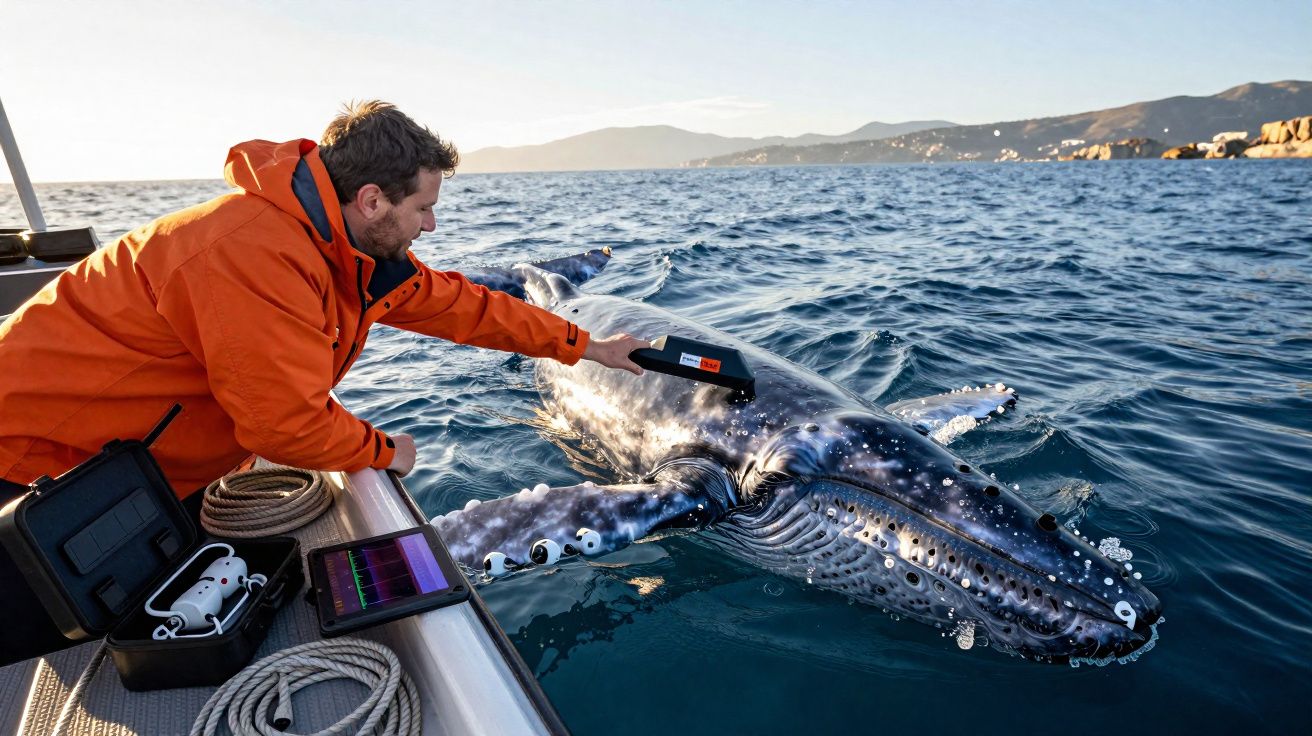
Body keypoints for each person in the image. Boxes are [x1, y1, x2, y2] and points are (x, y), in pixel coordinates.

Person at [0, 100, 648, 664]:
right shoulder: (253, 252)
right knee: (55, 639)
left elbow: (463, 305)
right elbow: (283, 425)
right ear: (372, 200)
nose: (431, 225)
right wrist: (388, 451)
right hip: (33, 467)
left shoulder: (350, 251)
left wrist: (589, 346)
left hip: (138, 468)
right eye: (423, 207)